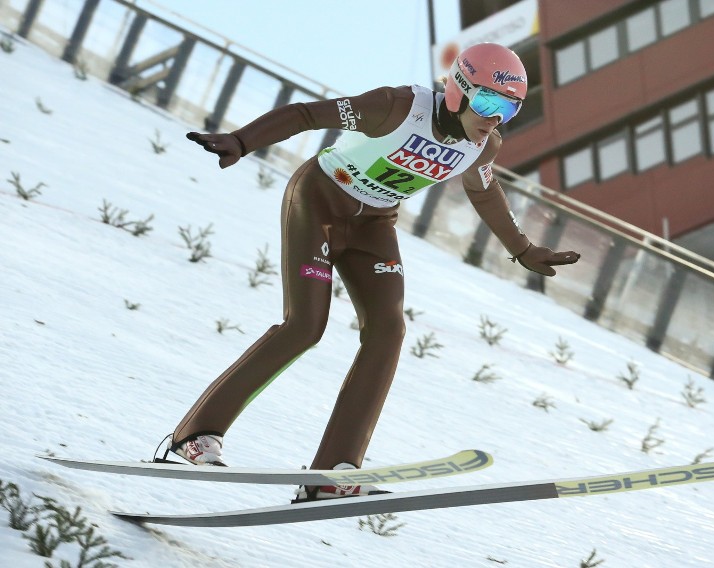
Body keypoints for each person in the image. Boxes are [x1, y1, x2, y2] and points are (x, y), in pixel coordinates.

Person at [169, 42, 581, 502]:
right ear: (458, 91)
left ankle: (333, 471)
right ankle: (194, 436)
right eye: (487, 102)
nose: (495, 117)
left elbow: (484, 193)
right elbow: (307, 114)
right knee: (305, 326)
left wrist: (522, 250)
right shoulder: (396, 107)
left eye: (510, 109)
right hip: (321, 201)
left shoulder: (483, 146)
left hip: (374, 225)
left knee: (388, 330)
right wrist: (243, 141)